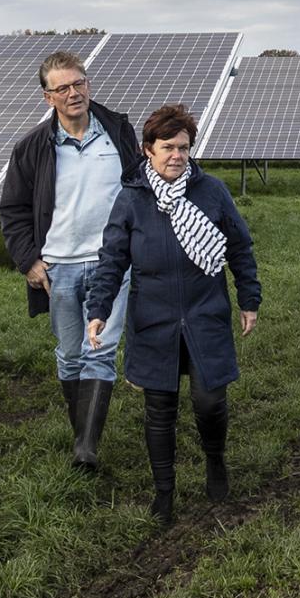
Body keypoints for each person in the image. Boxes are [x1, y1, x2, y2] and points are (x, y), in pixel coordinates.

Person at [86, 104, 262, 524]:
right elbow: (112, 259)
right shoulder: (131, 200)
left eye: (184, 147)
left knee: (209, 401)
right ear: (148, 150)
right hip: (154, 318)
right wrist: (99, 310)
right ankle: (163, 492)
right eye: (168, 147)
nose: (177, 156)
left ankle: (215, 461)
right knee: (159, 409)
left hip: (206, 313)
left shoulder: (211, 192)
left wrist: (249, 297)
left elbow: (239, 246)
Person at [0, 48, 143, 474]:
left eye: (79, 83)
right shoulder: (32, 148)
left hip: (111, 262)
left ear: (88, 84)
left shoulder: (118, 131)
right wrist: (28, 262)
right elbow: (13, 210)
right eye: (63, 88)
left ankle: (86, 449)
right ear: (48, 98)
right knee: (69, 356)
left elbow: (140, 187)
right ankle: (83, 436)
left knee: (101, 349)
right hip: (57, 267)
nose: (74, 93)